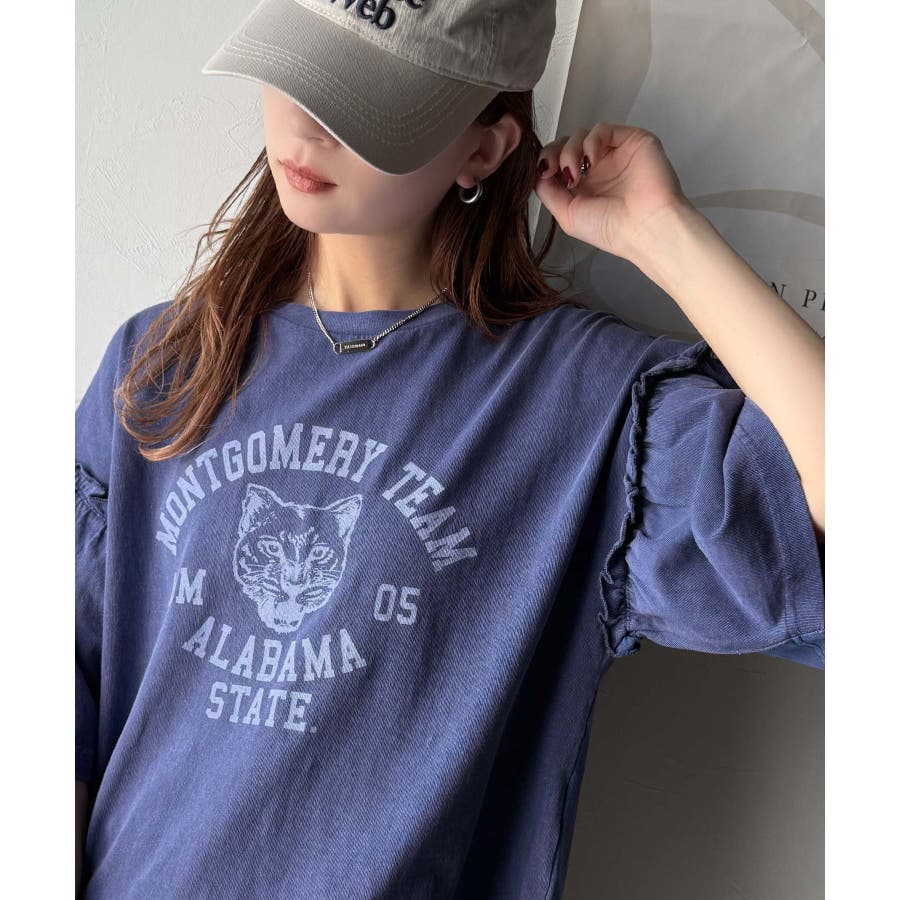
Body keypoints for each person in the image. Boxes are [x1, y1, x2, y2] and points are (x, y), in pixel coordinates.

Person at [75, 1, 825, 897]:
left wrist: (665, 234)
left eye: (363, 101)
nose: (307, 126)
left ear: (484, 150)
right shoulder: (165, 361)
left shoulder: (578, 405)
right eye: (298, 70)